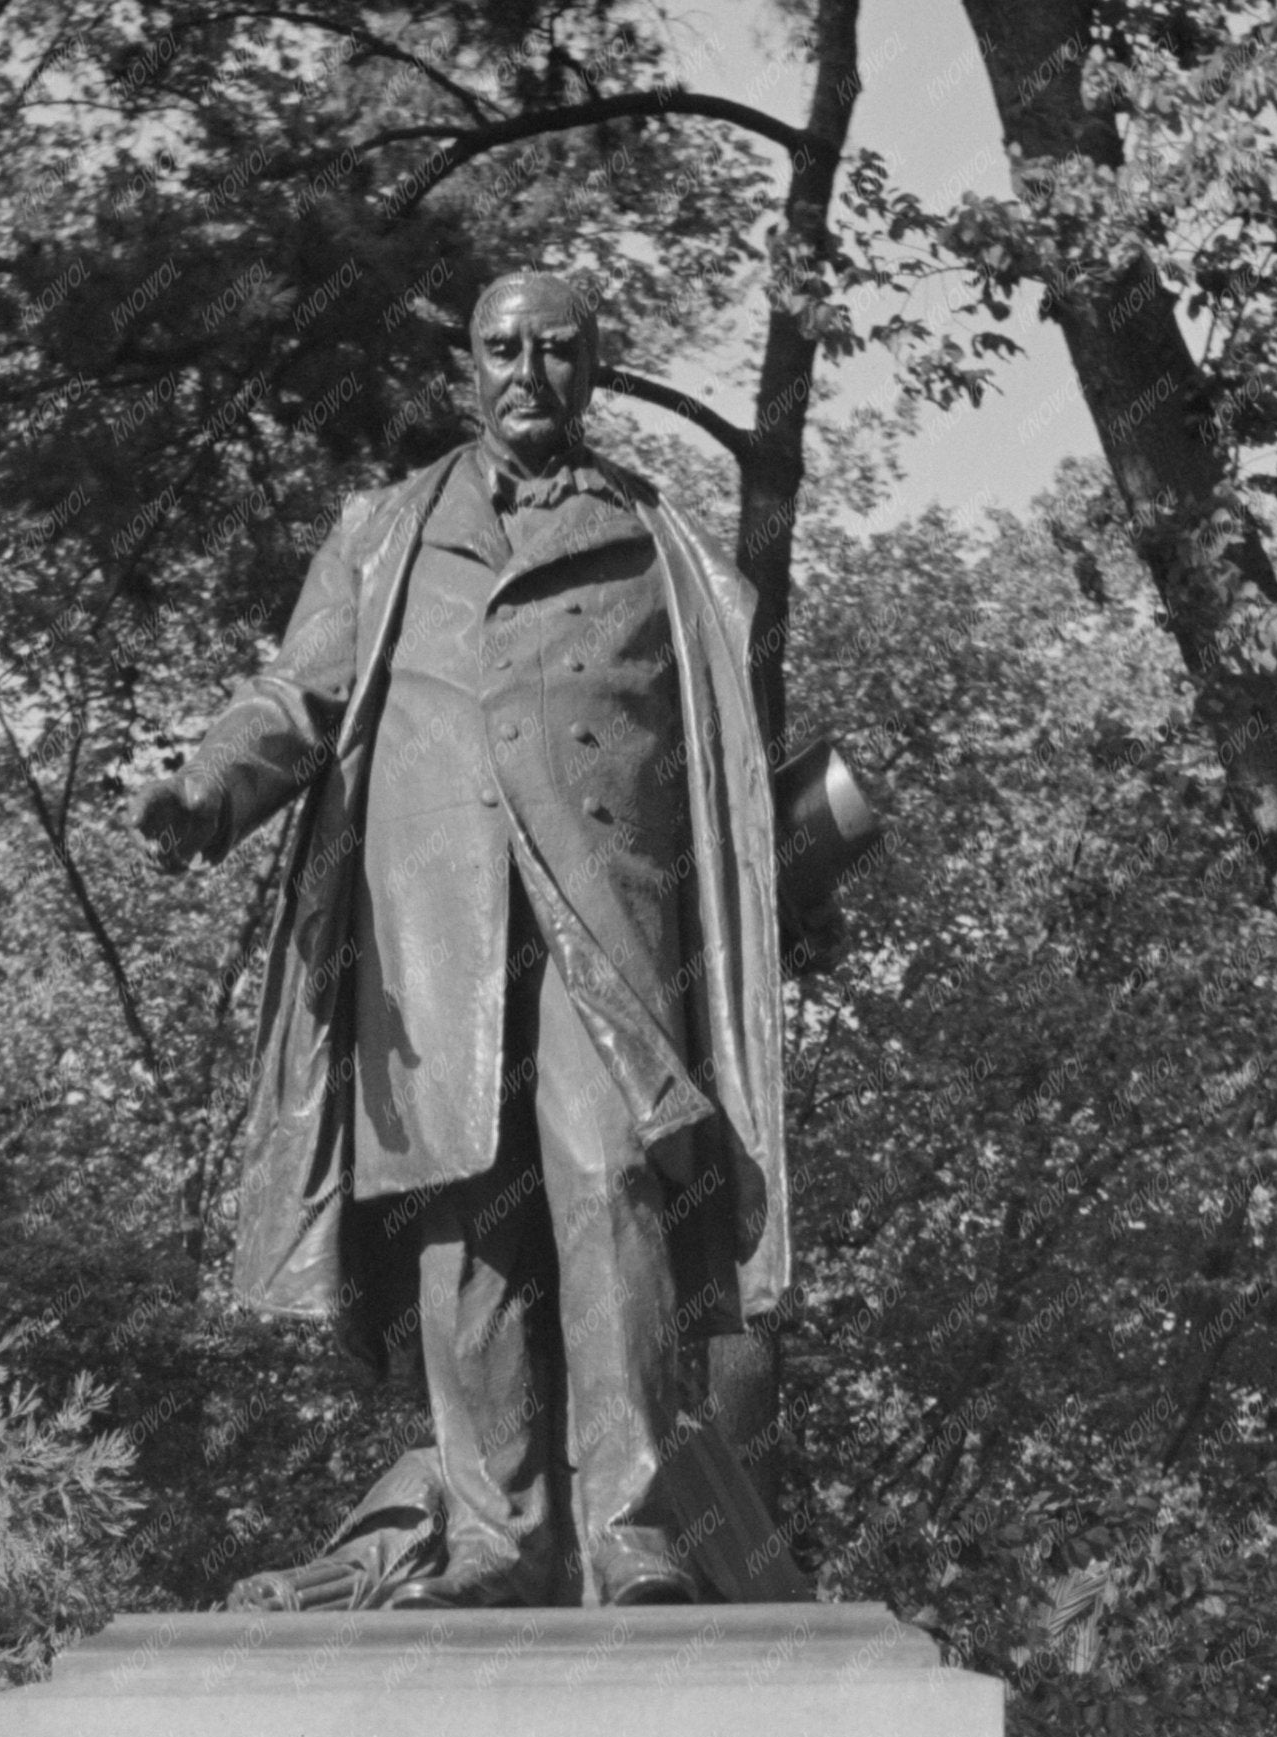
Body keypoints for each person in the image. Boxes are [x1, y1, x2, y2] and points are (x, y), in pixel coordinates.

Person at [136, 268, 791, 1608]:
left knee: (608, 1178)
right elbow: (295, 693)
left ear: (593, 371)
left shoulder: (657, 540)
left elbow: (717, 774)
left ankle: (632, 1527)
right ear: (464, 370)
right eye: (502, 349)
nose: (527, 373)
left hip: (600, 924)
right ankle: (494, 1533)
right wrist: (206, 790)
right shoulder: (383, 532)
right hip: (435, 920)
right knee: (461, 1214)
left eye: (557, 351)